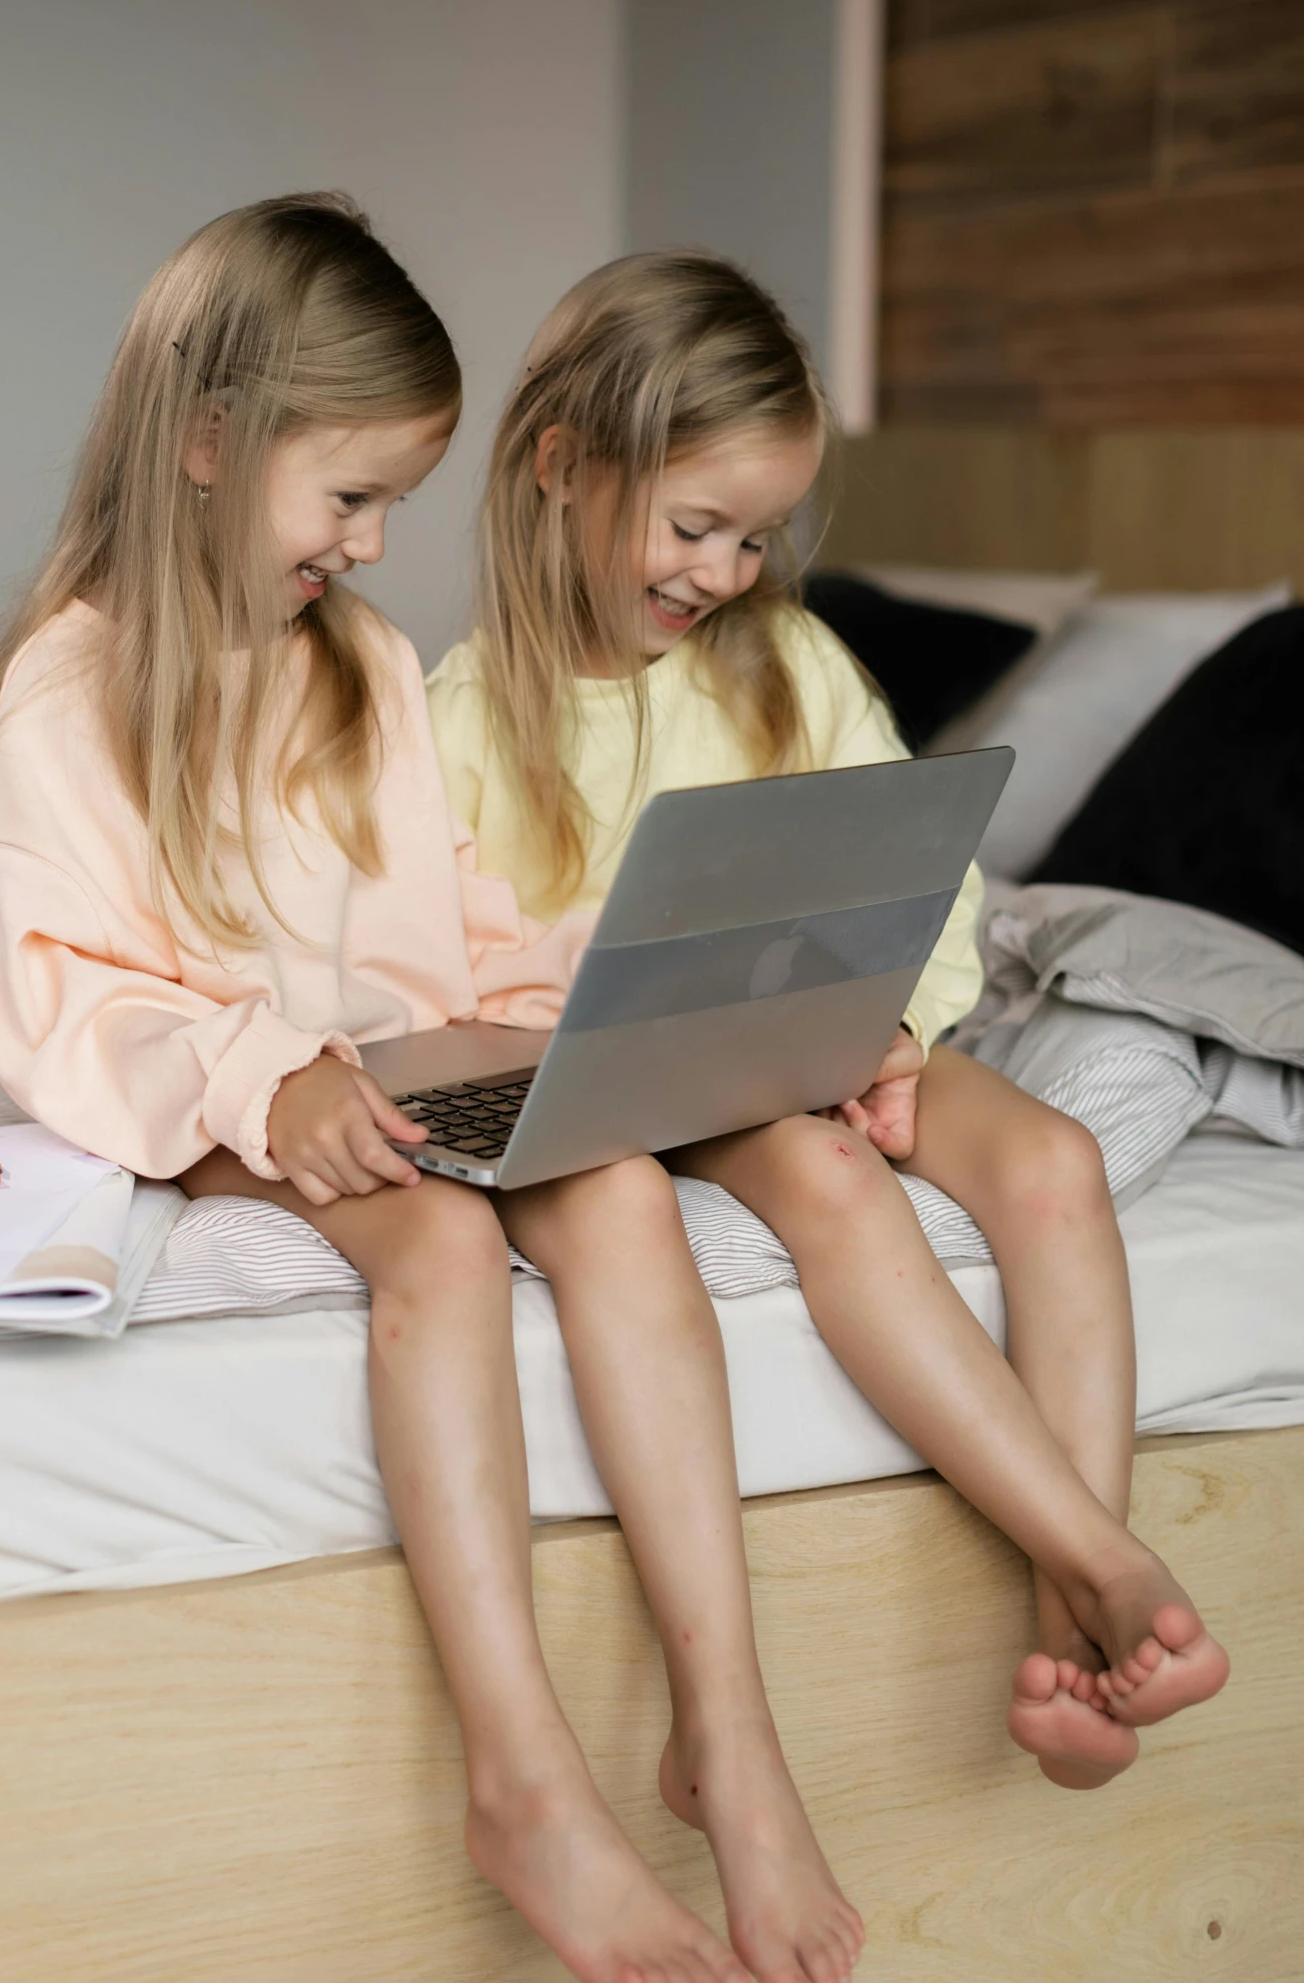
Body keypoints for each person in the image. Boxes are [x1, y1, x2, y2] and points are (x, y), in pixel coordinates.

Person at [0, 197, 865, 1983]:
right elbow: (65, 998)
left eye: (392, 502)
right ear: (210, 442)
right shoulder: (72, 690)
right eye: (352, 495)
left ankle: (729, 1725)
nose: (377, 546)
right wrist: (262, 1072)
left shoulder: (359, 666)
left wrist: (578, 1003)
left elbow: (441, 916)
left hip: (376, 1070)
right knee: (440, 1256)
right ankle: (524, 1779)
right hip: (229, 1093)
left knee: (609, 1184)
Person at [427, 249, 1230, 1798]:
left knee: (1055, 1160)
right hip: (662, 1083)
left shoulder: (789, 660)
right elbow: (450, 988)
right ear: (558, 466)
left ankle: (1072, 1643)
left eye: (758, 534)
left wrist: (898, 1031)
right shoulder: (458, 717)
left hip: (836, 1034)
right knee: (830, 1183)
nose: (727, 571)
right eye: (695, 526)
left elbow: (926, 885)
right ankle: (1109, 1566)